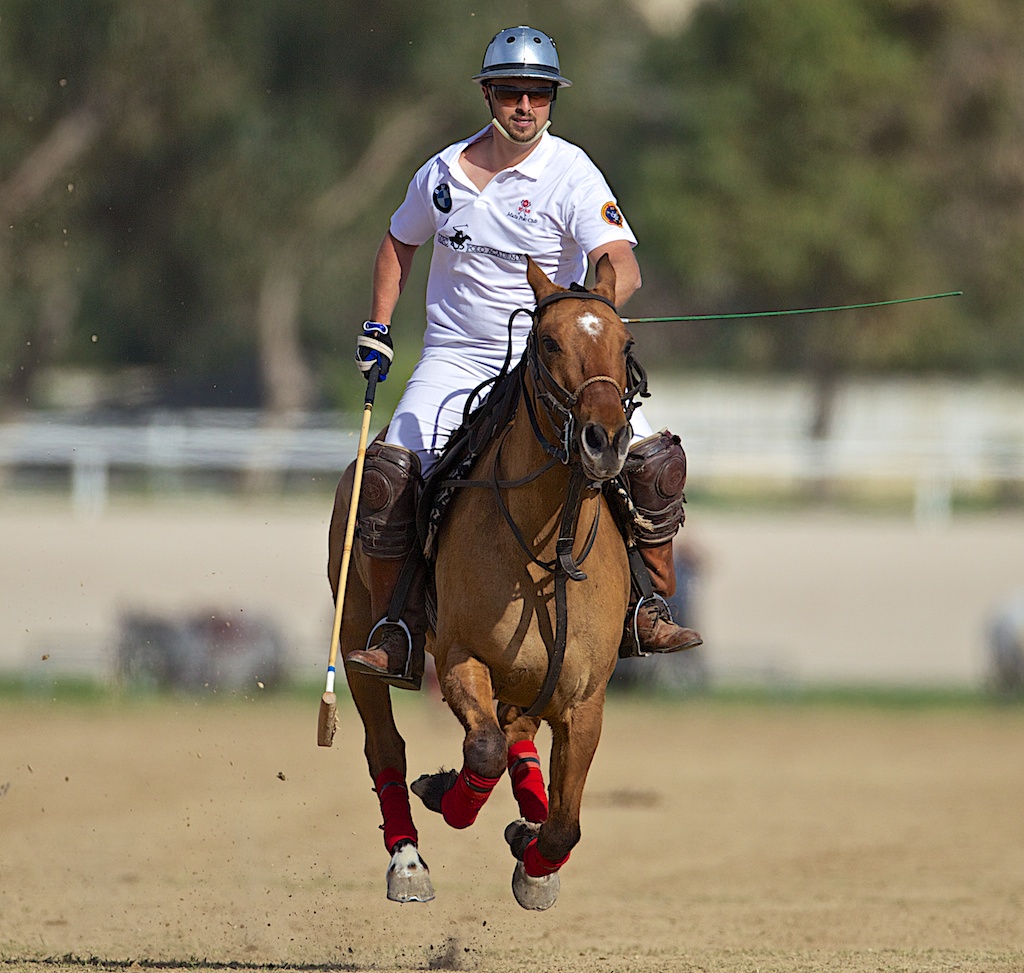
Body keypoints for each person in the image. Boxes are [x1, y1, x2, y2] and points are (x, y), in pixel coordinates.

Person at [345, 25, 701, 687]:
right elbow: (399, 243)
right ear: (488, 94)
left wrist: (583, 314)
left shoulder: (570, 171)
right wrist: (378, 325)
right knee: (392, 473)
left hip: (551, 360)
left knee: (656, 462)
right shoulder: (442, 174)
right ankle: (395, 627)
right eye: (512, 92)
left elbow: (622, 264)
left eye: (540, 94)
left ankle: (649, 607)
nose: (526, 106)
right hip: (456, 357)